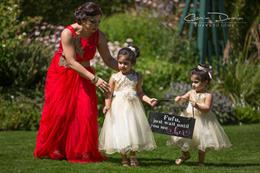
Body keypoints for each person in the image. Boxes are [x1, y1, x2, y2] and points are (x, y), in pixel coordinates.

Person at [34, 2, 118, 163]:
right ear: (83, 19)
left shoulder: (99, 36)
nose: (96, 25)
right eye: (92, 21)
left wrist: (125, 69)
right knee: (60, 113)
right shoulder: (68, 33)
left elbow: (108, 59)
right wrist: (95, 79)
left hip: (85, 76)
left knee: (85, 112)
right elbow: (71, 62)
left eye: (98, 21)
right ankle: (55, 148)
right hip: (62, 75)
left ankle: (83, 151)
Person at [99, 46, 157, 166]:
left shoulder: (137, 76)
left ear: (132, 63)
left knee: (133, 131)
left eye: (126, 63)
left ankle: (133, 156)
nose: (122, 66)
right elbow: (109, 93)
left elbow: (140, 93)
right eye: (120, 63)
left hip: (133, 109)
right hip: (118, 108)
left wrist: (148, 100)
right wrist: (107, 105)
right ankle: (124, 157)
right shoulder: (115, 77)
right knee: (121, 131)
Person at [168, 64, 232, 166]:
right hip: (188, 118)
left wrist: (197, 105)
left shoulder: (208, 95)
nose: (193, 84)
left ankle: (200, 161)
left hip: (202, 120)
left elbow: (206, 109)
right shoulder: (191, 92)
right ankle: (185, 154)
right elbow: (183, 98)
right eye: (192, 82)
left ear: (205, 82)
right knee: (179, 136)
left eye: (196, 82)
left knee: (202, 142)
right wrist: (179, 98)